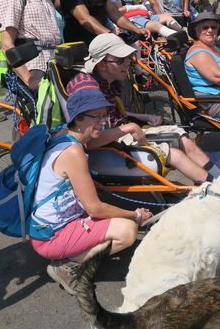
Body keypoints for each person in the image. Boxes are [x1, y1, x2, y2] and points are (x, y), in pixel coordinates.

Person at [31, 83, 152, 295]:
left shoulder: (64, 134)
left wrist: (128, 127)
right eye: (96, 117)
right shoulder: (73, 153)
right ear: (78, 118)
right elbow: (95, 209)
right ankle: (68, 265)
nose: (103, 122)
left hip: (45, 226)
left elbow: (94, 142)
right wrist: (135, 214)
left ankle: (75, 252)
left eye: (104, 115)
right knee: (127, 231)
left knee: (117, 219)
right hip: (52, 235)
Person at [67, 34, 220, 182]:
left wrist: (141, 118)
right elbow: (88, 141)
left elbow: (111, 115)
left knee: (183, 138)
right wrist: (130, 127)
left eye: (128, 57)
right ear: (101, 64)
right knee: (175, 154)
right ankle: (219, 192)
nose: (128, 62)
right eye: (121, 59)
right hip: (107, 149)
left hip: (117, 134)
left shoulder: (104, 80)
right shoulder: (88, 91)